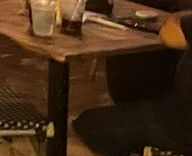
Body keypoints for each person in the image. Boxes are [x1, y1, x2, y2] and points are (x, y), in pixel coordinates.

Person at [73, 9, 192, 155]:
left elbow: (170, 34)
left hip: (177, 126)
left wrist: (180, 16)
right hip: (174, 109)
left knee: (87, 125)